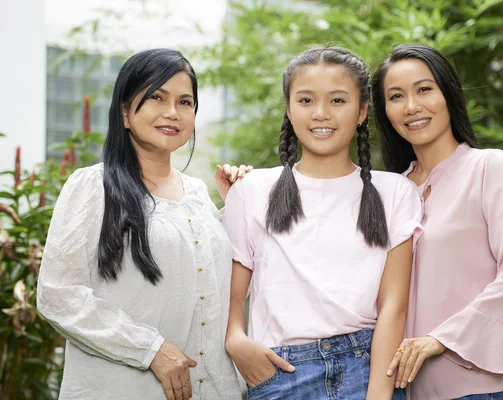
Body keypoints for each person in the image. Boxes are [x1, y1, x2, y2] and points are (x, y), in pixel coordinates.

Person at [36, 48, 247, 400]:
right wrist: (150, 349)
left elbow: (209, 280)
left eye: (185, 102)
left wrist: (238, 206)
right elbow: (59, 295)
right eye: (156, 97)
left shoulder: (197, 193)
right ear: (124, 112)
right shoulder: (94, 186)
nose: (172, 112)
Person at [222, 46, 422, 400]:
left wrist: (379, 394)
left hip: (367, 367)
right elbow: (232, 297)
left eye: (338, 101)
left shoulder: (395, 192)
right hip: (281, 373)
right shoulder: (251, 190)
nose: (320, 114)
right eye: (305, 100)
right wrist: (237, 342)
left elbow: (394, 306)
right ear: (288, 107)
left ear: (361, 111)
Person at [371, 43, 503, 400]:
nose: (412, 106)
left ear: (449, 94)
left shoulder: (488, 167)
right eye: (396, 96)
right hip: (400, 389)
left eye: (424, 89)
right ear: (385, 111)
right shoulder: (389, 193)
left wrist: (441, 339)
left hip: (476, 388)